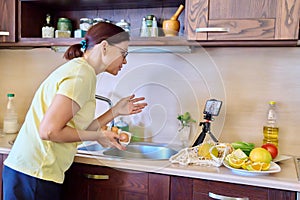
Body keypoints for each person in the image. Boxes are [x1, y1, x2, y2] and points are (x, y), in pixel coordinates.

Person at [2, 22, 147, 200]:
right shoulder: (81, 75)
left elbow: (77, 129)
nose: (125, 61)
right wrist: (98, 136)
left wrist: (115, 111)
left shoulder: (83, 71)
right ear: (104, 47)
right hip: (34, 175)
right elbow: (49, 131)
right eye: (123, 54)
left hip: (31, 172)